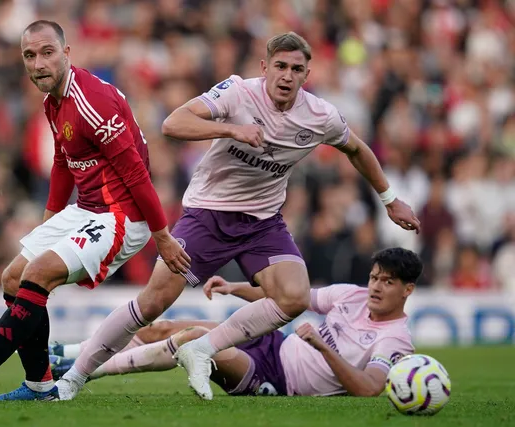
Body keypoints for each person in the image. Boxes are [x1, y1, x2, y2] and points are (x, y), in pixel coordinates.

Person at [56, 31, 420, 402]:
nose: (287, 76)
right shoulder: (237, 92)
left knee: (293, 296)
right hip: (208, 214)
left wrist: (389, 200)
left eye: (296, 69)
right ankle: (74, 375)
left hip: (262, 223)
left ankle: (202, 349)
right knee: (153, 304)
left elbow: (357, 149)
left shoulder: (320, 116)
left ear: (306, 74)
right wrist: (231, 129)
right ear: (265, 67)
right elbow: (173, 123)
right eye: (280, 66)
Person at [0, 20, 189, 402]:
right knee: (12, 278)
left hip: (120, 216)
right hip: (86, 209)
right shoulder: (53, 101)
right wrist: (51, 216)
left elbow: (137, 173)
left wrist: (162, 236)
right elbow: (62, 160)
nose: (38, 63)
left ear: (67, 54)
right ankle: (40, 385)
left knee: (37, 274)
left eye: (47, 53)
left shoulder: (92, 101)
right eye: (29, 56)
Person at [50, 248, 421, 398]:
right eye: (375, 277)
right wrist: (236, 288)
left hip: (278, 380)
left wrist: (323, 347)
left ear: (407, 290)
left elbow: (369, 389)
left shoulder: (395, 339)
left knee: (191, 339)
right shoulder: (351, 295)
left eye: (388, 282)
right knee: (161, 327)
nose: (376, 286)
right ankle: (67, 356)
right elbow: (289, 299)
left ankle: (81, 374)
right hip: (274, 344)